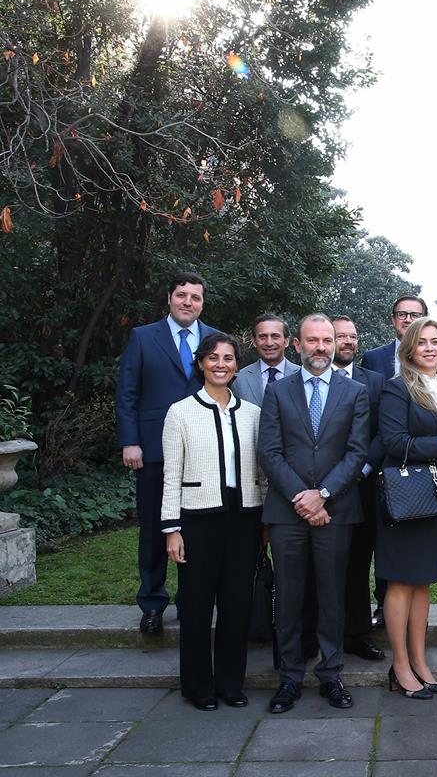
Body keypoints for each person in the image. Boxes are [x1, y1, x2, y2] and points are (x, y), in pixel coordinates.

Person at [258, 314, 370, 713]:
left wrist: (321, 495)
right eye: (313, 340)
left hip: (336, 510)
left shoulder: (355, 392)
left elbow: (357, 453)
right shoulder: (278, 391)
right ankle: (288, 679)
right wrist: (302, 498)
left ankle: (331, 675)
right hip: (287, 514)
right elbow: (269, 452)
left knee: (331, 597)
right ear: (297, 345)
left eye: (328, 340)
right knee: (288, 598)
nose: (321, 347)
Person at [161, 332, 265, 711]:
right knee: (196, 605)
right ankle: (198, 687)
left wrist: (265, 520)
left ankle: (230, 683)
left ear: (237, 365)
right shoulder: (180, 412)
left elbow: (262, 472)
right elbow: (170, 475)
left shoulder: (253, 413)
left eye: (228, 358)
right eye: (213, 358)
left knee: (237, 604)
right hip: (198, 519)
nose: (221, 364)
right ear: (201, 363)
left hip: (244, 517)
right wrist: (172, 529)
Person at [116, 272, 221, 637]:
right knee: (154, 530)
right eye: (182, 295)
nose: (188, 302)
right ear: (169, 298)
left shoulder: (213, 340)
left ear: (202, 303)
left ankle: (195, 601)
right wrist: (130, 441)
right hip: (154, 451)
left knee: (198, 531)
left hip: (203, 451)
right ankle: (152, 603)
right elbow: (127, 393)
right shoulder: (144, 337)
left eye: (195, 297)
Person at [376, 317, 437, 699]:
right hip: (406, 499)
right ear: (409, 349)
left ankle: (420, 660)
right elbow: (393, 442)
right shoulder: (396, 389)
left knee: (423, 582)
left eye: (436, 342)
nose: (430, 348)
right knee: (401, 581)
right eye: (422, 342)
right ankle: (399, 666)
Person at [330, 315, 386, 662]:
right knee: (322, 564)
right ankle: (319, 635)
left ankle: (357, 634)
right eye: (340, 336)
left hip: (363, 488)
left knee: (358, 563)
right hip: (320, 489)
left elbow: (382, 433)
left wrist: (362, 470)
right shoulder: (311, 381)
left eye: (352, 337)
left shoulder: (375, 381)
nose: (348, 342)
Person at [232, 314, 300, 406]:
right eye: (262, 337)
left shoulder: (303, 376)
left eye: (275, 336)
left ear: (286, 341)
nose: (269, 343)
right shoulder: (239, 380)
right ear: (254, 341)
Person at [362, 295, 428, 377]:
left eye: (414, 315)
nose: (407, 320)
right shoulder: (372, 358)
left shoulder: (435, 357)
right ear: (393, 320)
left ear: (424, 321)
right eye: (402, 314)